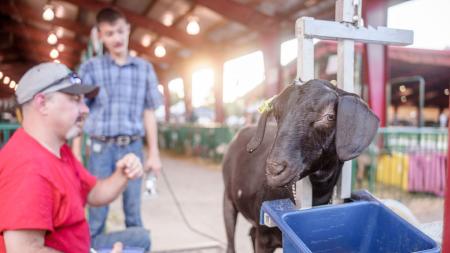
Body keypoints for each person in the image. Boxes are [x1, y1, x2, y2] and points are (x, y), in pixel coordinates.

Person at [0, 62, 150, 252]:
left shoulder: (59, 149)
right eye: (75, 99)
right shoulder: (28, 168)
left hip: (82, 246)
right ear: (42, 103)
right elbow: (25, 250)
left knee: (140, 238)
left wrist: (123, 174)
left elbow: (94, 193)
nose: (85, 109)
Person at [72, 7, 162, 244]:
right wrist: (75, 151)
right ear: (100, 36)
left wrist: (153, 153)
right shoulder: (92, 68)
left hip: (132, 147)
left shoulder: (144, 68)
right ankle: (91, 246)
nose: (117, 38)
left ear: (128, 30)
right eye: (110, 33)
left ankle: (138, 246)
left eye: (120, 31)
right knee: (96, 213)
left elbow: (149, 112)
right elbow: (80, 109)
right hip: (101, 149)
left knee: (133, 212)